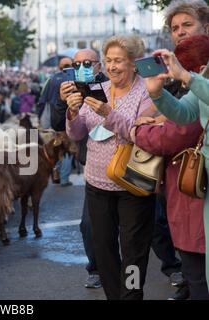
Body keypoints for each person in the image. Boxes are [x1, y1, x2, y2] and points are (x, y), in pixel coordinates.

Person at [66, 35, 156, 300]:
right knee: (103, 250)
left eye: (119, 61)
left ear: (133, 63)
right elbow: (77, 133)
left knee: (133, 254)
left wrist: (108, 114)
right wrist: (72, 112)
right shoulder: (99, 88)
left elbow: (142, 134)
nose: (112, 66)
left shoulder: (147, 92)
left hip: (133, 184)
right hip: (96, 184)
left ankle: (131, 296)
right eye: (108, 61)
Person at [133, 34, 209, 300]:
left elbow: (173, 134)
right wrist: (157, 92)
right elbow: (185, 113)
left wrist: (189, 78)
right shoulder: (203, 75)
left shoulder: (197, 77)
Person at [59, 49, 108, 289]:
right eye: (76, 64)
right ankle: (96, 269)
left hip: (123, 165)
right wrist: (64, 105)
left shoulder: (112, 86)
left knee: (140, 228)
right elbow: (65, 128)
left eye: (87, 63)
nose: (81, 67)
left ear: (99, 65)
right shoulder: (68, 88)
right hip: (94, 169)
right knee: (89, 224)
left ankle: (171, 268)